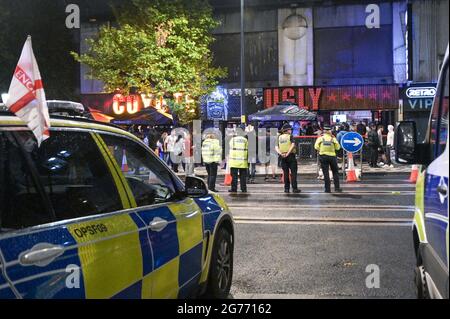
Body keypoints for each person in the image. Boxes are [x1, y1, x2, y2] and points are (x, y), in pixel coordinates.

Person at [314, 125, 342, 193]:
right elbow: (338, 147)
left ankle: (327, 189)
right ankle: (337, 188)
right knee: (335, 172)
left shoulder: (320, 138)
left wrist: (321, 149)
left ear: (324, 131)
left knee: (326, 173)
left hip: (323, 157)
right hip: (332, 157)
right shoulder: (333, 138)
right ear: (330, 131)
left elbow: (316, 147)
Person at [276, 124, 301, 193]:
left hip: (282, 156)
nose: (291, 131)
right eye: (290, 129)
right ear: (287, 130)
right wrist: (288, 153)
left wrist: (281, 153)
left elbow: (276, 147)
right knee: (293, 173)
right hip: (290, 156)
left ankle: (286, 189)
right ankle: (294, 188)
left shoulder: (279, 137)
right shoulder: (290, 136)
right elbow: (292, 145)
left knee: (286, 173)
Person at [228, 125, 248, 193]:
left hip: (234, 161)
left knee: (234, 177)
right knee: (243, 177)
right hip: (243, 162)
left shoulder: (232, 140)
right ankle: (243, 189)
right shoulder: (245, 140)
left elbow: (229, 147)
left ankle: (234, 189)